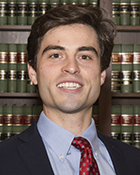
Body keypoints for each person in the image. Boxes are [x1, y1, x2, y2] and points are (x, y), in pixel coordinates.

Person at [0, 4, 140, 175]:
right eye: (56, 55)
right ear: (33, 72)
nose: (72, 67)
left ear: (102, 74)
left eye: (85, 56)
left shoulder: (134, 161)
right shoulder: (3, 160)